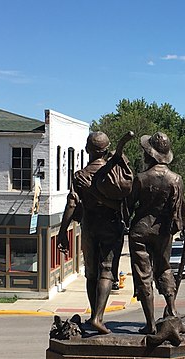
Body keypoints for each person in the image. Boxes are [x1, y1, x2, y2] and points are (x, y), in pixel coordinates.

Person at [57, 131, 133, 334]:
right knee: (106, 271)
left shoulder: (80, 176)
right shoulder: (114, 174)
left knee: (91, 273)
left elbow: (71, 203)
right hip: (110, 225)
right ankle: (97, 317)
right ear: (106, 151)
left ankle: (94, 315)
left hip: (89, 226)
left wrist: (63, 231)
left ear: (87, 150)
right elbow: (124, 206)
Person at [128, 132, 185, 335]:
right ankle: (171, 308)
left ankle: (151, 323)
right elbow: (181, 210)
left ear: (150, 154)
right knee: (163, 268)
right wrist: (182, 227)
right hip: (163, 231)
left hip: (140, 230)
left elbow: (128, 206)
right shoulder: (176, 179)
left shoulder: (141, 178)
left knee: (143, 275)